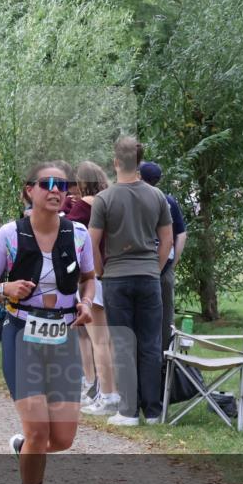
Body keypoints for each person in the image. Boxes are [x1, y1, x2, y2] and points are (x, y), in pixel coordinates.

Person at [0, 161, 95, 484]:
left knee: (62, 439)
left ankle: (24, 447)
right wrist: (4, 290)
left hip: (62, 337)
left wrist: (87, 303)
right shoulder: (9, 235)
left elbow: (89, 278)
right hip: (23, 334)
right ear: (29, 190)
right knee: (39, 433)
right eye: (46, 183)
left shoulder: (78, 235)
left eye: (62, 184)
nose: (55, 189)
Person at [88, 136, 173, 426]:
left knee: (123, 343)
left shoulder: (105, 199)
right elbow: (167, 240)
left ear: (115, 162)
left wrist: (101, 272)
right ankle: (152, 411)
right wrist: (155, 267)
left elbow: (92, 244)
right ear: (139, 163)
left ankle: (127, 411)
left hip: (117, 278)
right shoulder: (156, 196)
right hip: (149, 276)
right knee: (150, 343)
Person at [67, 161, 119, 411]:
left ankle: (105, 395)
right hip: (114, 271)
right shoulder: (110, 201)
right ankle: (111, 392)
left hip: (94, 275)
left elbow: (69, 233)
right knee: (107, 339)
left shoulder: (82, 206)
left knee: (96, 339)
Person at [138, 159, 188, 354]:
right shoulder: (169, 200)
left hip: (141, 264)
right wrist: (172, 263)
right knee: (166, 313)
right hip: (165, 264)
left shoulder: (135, 199)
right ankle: (165, 356)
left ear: (140, 177)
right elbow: (181, 234)